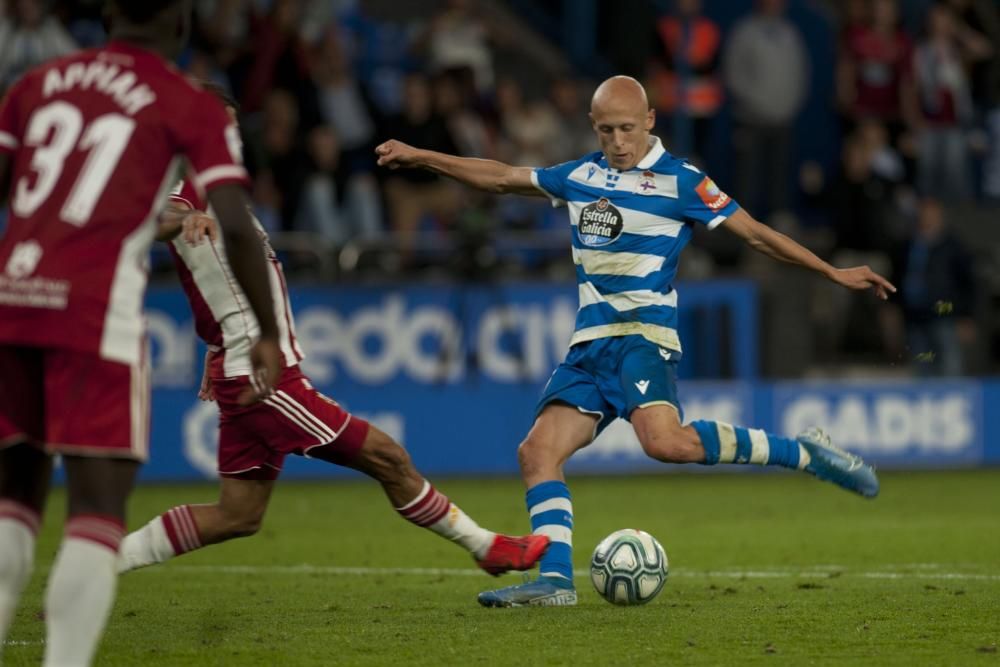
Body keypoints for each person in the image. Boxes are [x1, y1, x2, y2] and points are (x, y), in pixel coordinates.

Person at [375, 75, 896, 608]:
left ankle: (802, 453)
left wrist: (832, 272)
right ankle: (555, 582)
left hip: (642, 337)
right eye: (606, 131)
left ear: (650, 121)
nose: (618, 142)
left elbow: (758, 234)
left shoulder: (683, 182)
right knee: (537, 452)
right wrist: (422, 156)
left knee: (663, 443)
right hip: (589, 349)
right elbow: (503, 177)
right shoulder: (580, 174)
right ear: (592, 128)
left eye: (627, 128)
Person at [117, 88, 549, 585]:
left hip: (242, 368)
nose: (229, 140)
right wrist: (183, 219)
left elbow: (215, 288)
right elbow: (154, 219)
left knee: (238, 515)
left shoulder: (231, 203)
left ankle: (98, 565)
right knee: (388, 455)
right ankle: (487, 547)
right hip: (264, 379)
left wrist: (214, 350)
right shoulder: (190, 192)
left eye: (234, 130)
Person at [0, 1, 284, 665]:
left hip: (14, 300)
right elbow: (237, 223)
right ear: (180, 26)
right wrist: (265, 331)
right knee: (96, 508)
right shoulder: (189, 103)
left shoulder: (35, 86)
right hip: (94, 312)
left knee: (14, 499)